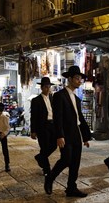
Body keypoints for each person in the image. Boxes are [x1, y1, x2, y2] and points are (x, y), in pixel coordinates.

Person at [44, 66, 91, 198]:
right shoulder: (59, 95)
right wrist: (59, 135)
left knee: (75, 162)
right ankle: (50, 178)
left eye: (80, 79)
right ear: (69, 79)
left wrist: (85, 136)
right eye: (77, 78)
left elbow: (79, 118)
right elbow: (57, 118)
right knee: (66, 159)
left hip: (76, 132)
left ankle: (71, 188)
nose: (79, 81)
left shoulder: (76, 98)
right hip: (65, 133)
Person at [30, 77, 57, 176]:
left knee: (54, 145)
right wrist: (33, 131)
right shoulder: (36, 100)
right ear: (41, 87)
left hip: (52, 125)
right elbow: (33, 116)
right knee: (44, 147)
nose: (47, 88)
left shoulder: (53, 98)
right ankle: (47, 169)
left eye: (49, 87)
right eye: (45, 87)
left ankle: (40, 157)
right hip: (42, 126)